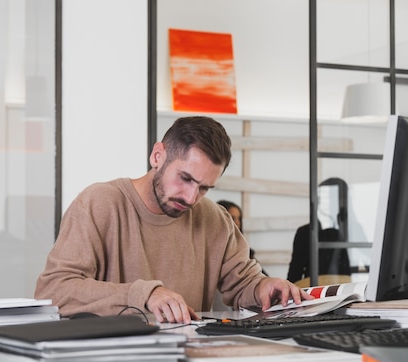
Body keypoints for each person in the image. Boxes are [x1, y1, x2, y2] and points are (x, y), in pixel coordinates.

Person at [34, 116, 311, 324]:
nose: (191, 197)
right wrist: (144, 295)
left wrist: (264, 286)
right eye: (186, 178)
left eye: (204, 188)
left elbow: (243, 284)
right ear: (158, 156)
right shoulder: (99, 202)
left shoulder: (216, 220)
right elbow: (55, 291)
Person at [216, 200, 268, 276]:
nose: (237, 223)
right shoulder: (214, 250)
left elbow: (262, 277)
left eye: (239, 218)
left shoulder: (245, 250)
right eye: (232, 218)